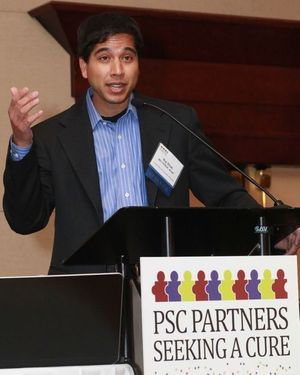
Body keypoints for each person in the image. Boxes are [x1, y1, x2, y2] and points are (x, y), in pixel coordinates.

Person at [3, 12, 300, 274]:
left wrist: (275, 229)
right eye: (104, 58)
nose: (117, 70)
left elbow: (223, 195)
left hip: (166, 290)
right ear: (83, 66)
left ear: (137, 65)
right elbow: (25, 220)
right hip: (84, 294)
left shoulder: (175, 123)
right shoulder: (52, 136)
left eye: (127, 58)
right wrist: (21, 144)